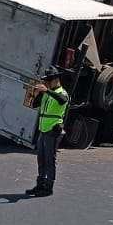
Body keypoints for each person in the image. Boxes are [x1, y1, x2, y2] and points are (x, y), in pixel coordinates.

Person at [25, 67, 69, 197]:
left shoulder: (62, 92)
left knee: (50, 159)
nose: (47, 83)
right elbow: (34, 105)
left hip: (53, 129)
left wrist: (47, 91)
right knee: (41, 159)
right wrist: (39, 93)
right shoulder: (47, 93)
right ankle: (40, 185)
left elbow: (63, 100)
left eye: (49, 81)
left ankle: (48, 187)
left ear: (56, 80)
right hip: (43, 129)